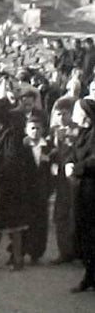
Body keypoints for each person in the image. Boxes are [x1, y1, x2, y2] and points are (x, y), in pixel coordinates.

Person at [0, 98, 37, 271]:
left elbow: (11, 161)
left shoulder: (10, 135)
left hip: (8, 186)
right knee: (7, 225)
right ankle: (1, 258)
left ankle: (7, 259)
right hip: (5, 184)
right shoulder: (7, 133)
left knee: (10, 225)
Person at [68, 98, 95, 292]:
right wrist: (69, 162)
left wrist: (76, 168)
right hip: (82, 190)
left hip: (92, 190)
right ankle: (89, 274)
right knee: (84, 233)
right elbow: (74, 152)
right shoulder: (83, 133)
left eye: (77, 111)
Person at [49, 97, 78, 264]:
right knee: (60, 215)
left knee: (74, 215)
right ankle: (64, 251)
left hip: (74, 179)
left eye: (64, 114)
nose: (60, 118)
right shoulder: (54, 131)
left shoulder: (77, 131)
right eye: (58, 114)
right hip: (59, 179)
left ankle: (77, 251)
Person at [22, 114, 53, 265]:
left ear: (43, 130)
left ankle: (36, 252)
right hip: (25, 190)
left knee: (40, 222)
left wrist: (48, 189)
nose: (35, 131)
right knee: (23, 221)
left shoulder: (47, 148)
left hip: (41, 191)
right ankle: (19, 251)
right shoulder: (22, 146)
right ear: (26, 130)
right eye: (32, 128)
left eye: (38, 128)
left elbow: (52, 170)